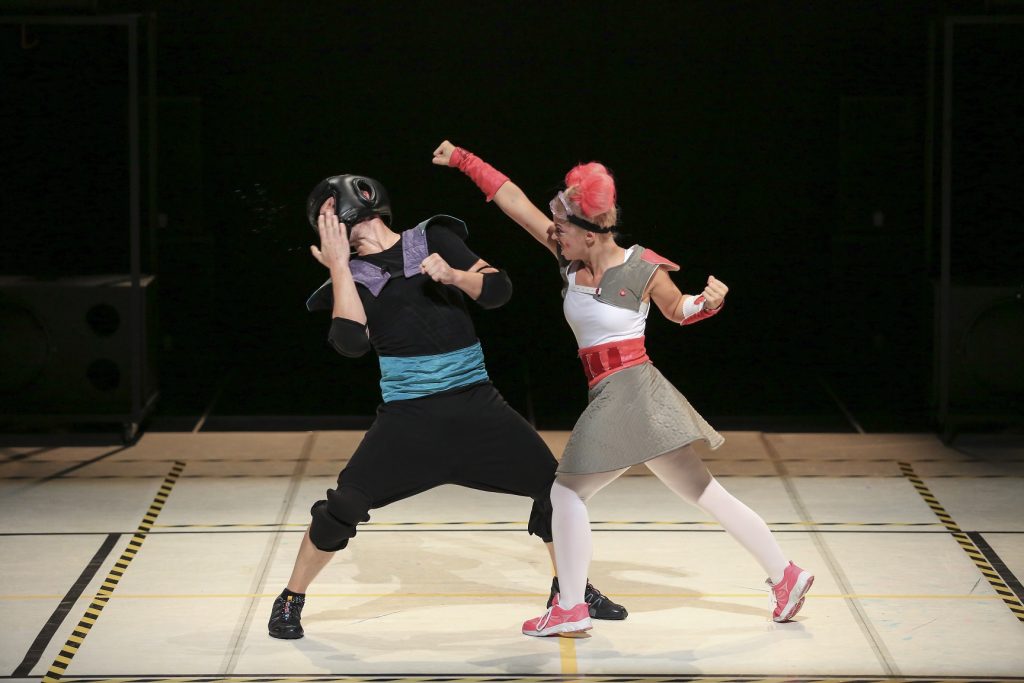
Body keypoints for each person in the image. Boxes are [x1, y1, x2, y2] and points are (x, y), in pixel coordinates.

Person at [433, 142, 814, 637]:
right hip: (624, 395)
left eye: (562, 226)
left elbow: (680, 310)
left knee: (564, 493)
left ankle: (571, 607)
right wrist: (465, 161)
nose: (554, 231)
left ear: (590, 234)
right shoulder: (569, 258)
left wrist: (709, 302)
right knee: (703, 492)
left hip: (630, 389)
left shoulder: (642, 269)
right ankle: (786, 576)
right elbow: (514, 201)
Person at [267, 174, 625, 640]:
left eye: (326, 216)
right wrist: (337, 266)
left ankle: (572, 590)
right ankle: (290, 597)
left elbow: (498, 289)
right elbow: (351, 342)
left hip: (478, 407)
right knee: (344, 505)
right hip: (408, 422)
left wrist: (455, 276)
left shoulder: (431, 238)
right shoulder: (351, 275)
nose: (324, 226)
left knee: (555, 492)